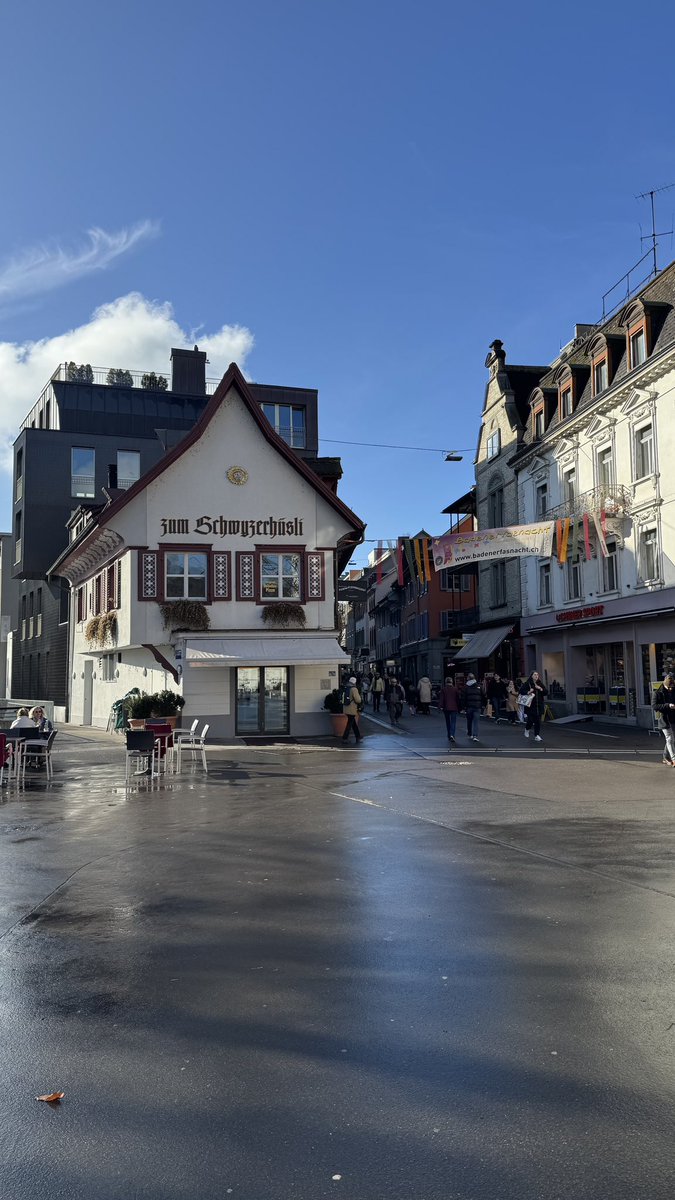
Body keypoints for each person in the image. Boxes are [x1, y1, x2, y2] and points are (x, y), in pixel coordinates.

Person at [653, 674, 675, 766]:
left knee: (672, 740)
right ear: (665, 684)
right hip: (664, 719)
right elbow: (654, 706)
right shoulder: (658, 692)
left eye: (672, 687)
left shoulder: (674, 690)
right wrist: (668, 705)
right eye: (669, 687)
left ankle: (665, 757)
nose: (671, 689)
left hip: (673, 718)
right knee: (670, 738)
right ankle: (674, 759)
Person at [521, 672, 547, 742]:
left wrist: (540, 688)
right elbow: (521, 691)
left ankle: (536, 735)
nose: (536, 676)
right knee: (531, 720)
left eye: (537, 675)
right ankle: (527, 729)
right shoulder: (527, 683)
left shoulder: (540, 683)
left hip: (539, 705)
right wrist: (529, 691)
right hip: (530, 705)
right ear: (531, 676)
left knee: (538, 721)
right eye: (534, 675)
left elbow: (546, 692)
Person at [460, 673, 482, 741]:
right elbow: (483, 695)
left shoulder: (465, 687)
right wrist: (482, 704)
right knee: (476, 721)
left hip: (469, 707)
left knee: (469, 720)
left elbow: (463, 698)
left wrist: (462, 707)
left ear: (468, 678)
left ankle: (470, 733)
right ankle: (475, 735)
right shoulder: (479, 686)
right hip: (477, 706)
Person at [439, 676, 460, 743]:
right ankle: (452, 735)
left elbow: (442, 699)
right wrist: (460, 707)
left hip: (446, 708)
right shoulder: (455, 689)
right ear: (452, 682)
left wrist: (440, 706)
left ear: (445, 682)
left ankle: (449, 735)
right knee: (453, 722)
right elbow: (458, 699)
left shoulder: (443, 689)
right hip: (454, 707)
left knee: (448, 722)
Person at [342, 676, 362, 744]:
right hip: (352, 708)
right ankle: (345, 738)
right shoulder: (354, 689)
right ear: (354, 682)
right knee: (350, 724)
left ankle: (358, 737)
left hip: (346, 707)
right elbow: (358, 700)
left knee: (353, 723)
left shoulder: (346, 687)